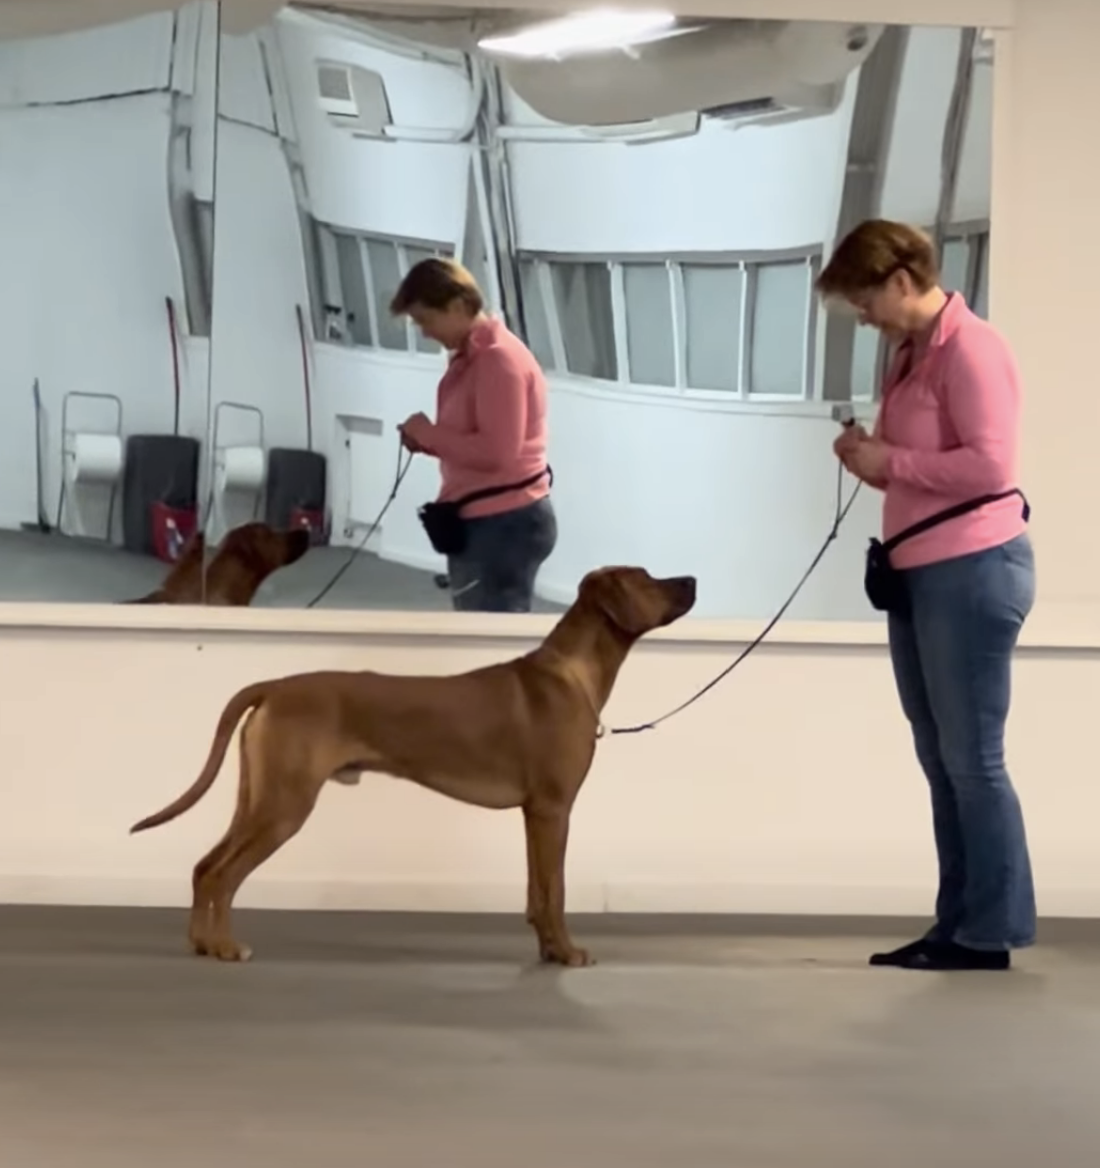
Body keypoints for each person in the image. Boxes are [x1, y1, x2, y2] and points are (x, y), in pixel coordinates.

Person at [818, 219, 1036, 972]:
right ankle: (958, 925)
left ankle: (988, 933)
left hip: (973, 569)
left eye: (864, 300)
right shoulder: (911, 355)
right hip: (922, 571)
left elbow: (989, 469)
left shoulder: (972, 349)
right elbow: (922, 467)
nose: (863, 317)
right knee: (942, 757)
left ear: (901, 280)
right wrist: (872, 462)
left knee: (972, 759)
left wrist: (892, 461)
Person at [390, 257, 556, 612]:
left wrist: (429, 433)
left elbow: (497, 454)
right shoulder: (476, 357)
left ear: (457, 305)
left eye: (425, 319)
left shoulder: (498, 360)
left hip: (503, 524)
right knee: (483, 630)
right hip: (492, 521)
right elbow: (477, 442)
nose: (425, 332)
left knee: (488, 637)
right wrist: (427, 441)